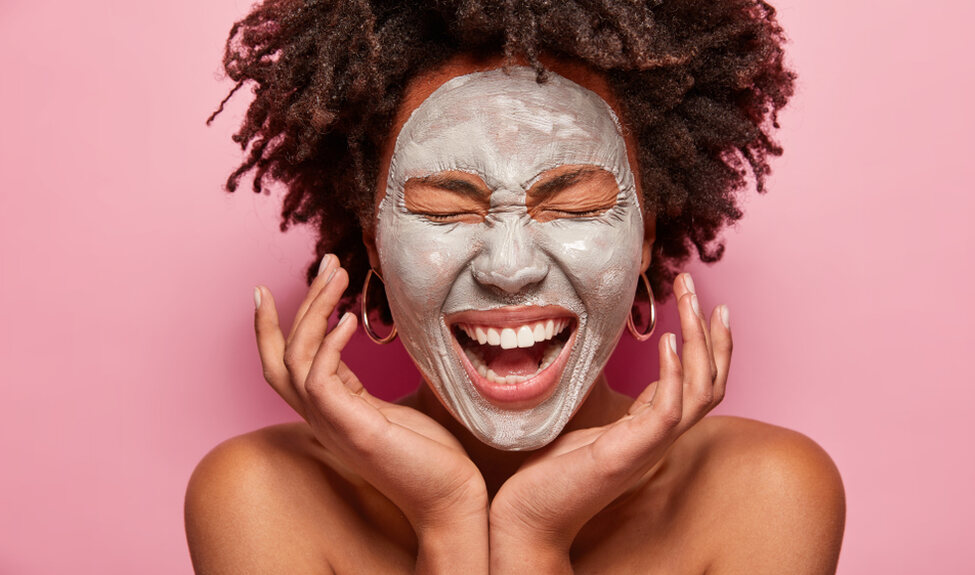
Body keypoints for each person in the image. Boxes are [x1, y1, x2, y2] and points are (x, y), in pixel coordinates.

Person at [185, 1, 846, 573]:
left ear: (646, 233)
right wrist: (448, 518)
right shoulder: (259, 494)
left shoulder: (768, 491)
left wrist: (533, 533)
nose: (508, 268)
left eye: (575, 203)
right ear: (374, 245)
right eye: (446, 208)